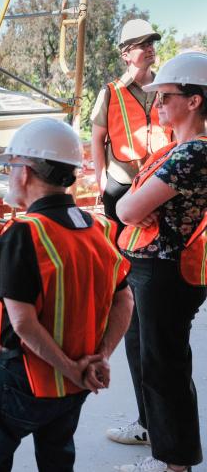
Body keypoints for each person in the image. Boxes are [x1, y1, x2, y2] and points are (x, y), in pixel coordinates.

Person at [0, 118, 134, 472]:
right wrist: (97, 358)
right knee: (57, 460)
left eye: (10, 165)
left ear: (25, 172)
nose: (9, 174)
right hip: (73, 386)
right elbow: (125, 300)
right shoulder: (99, 228)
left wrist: (73, 369)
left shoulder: (23, 233)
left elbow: (23, 323)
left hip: (17, 380)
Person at [113, 51, 207, 472]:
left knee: (164, 365)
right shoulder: (177, 150)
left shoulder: (193, 155)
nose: (158, 105)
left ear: (194, 100)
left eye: (166, 97)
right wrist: (134, 204)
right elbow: (132, 204)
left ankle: (175, 462)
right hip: (150, 270)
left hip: (166, 272)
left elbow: (128, 210)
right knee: (148, 356)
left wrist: (132, 205)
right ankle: (156, 433)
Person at [91, 18, 171, 236]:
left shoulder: (167, 88)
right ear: (125, 55)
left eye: (151, 44)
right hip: (120, 184)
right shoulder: (109, 92)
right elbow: (97, 140)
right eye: (142, 44)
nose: (149, 48)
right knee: (119, 248)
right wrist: (103, 183)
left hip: (159, 183)